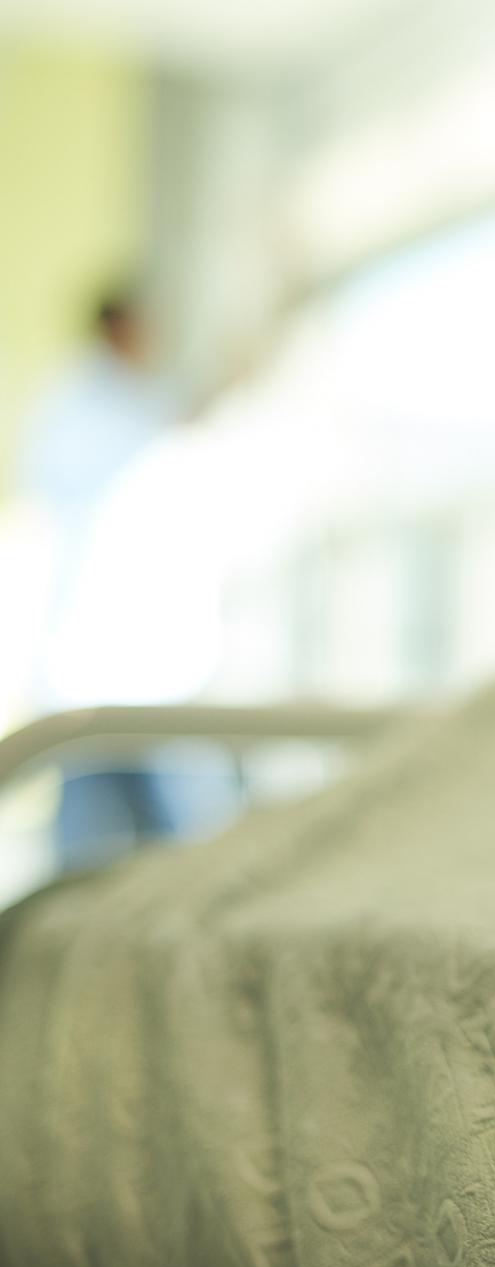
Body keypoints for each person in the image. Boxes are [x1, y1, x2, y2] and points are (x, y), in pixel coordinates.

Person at [16, 288, 197, 869]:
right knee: (103, 841)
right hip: (103, 656)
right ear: (120, 330)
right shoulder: (96, 413)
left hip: (124, 660)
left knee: (136, 842)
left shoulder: (103, 408)